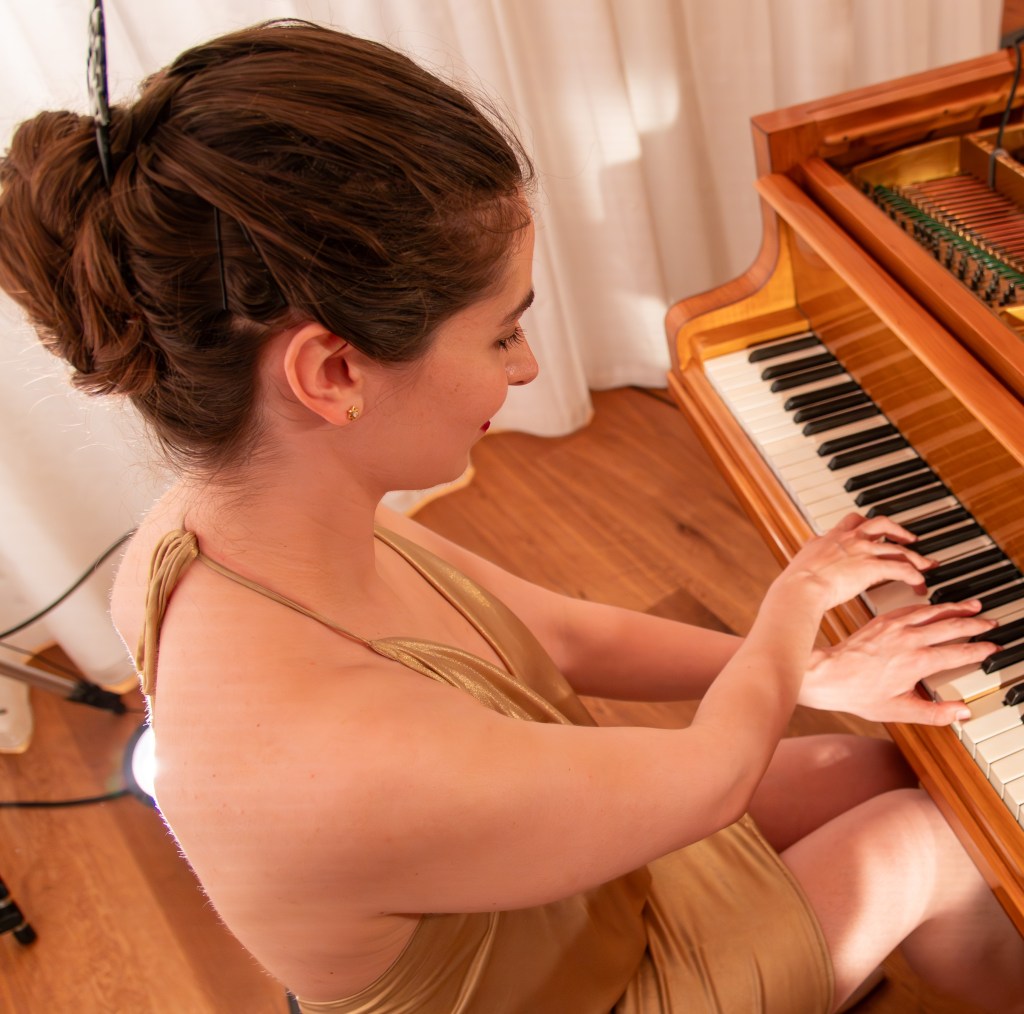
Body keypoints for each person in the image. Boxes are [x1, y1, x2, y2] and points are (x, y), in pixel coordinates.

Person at [1, 19, 1021, 1014]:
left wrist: (818, 674)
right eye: (500, 335)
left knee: (868, 765)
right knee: (928, 838)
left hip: (547, 888)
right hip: (569, 987)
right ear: (334, 370)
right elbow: (707, 781)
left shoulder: (231, 522)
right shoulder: (320, 761)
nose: (527, 366)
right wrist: (796, 607)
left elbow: (560, 633)